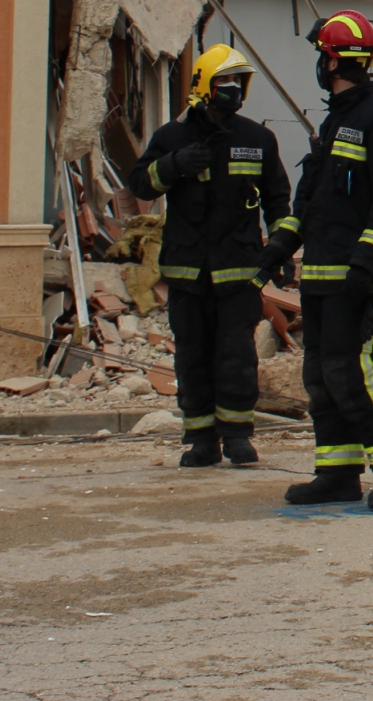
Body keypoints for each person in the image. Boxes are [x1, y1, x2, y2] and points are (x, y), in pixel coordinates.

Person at [255, 10, 373, 511]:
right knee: (321, 377)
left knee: (353, 375)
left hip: (356, 281)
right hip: (322, 278)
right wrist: (275, 252)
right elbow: (308, 204)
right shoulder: (334, 123)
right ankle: (337, 472)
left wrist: (364, 266)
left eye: (320, 56)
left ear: (330, 61)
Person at [129, 44, 290, 467]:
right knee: (193, 356)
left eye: (239, 82)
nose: (233, 90)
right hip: (187, 274)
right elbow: (140, 186)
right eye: (224, 82)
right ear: (203, 86)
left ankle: (238, 436)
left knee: (237, 357)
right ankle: (200, 440)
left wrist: (282, 248)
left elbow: (278, 200)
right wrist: (174, 165)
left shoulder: (257, 138)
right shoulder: (172, 137)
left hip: (239, 272)